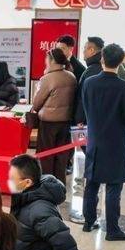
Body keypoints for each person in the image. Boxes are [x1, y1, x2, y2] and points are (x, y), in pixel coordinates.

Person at [82, 44, 125, 241]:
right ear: (121, 61)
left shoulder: (89, 83)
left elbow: (86, 108)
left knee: (92, 183)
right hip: (116, 142)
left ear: (102, 59)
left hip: (94, 140)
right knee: (114, 186)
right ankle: (113, 230)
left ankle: (89, 222)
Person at [31, 48, 76, 185]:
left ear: (51, 60)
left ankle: (46, 185)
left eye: (46, 58)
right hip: (66, 122)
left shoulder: (47, 78)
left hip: (48, 123)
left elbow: (36, 103)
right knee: (61, 157)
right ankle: (60, 186)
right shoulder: (71, 77)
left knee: (46, 157)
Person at [74, 37, 104, 125]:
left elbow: (84, 97)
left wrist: (79, 118)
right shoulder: (101, 67)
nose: (83, 51)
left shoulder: (92, 71)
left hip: (88, 121)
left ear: (92, 50)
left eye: (85, 48)